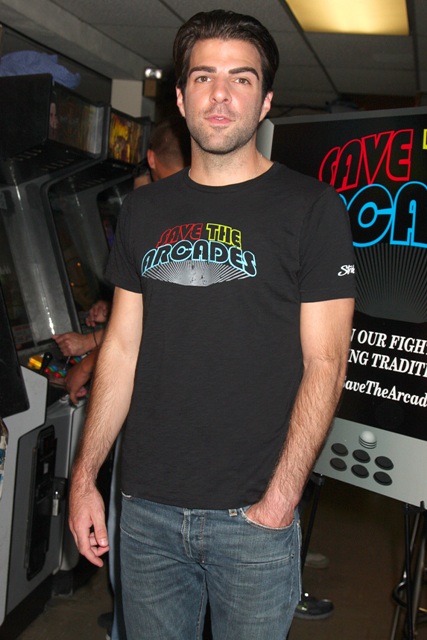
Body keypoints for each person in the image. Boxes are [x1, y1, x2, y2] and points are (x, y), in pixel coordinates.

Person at [69, 10, 355, 640]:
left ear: (266, 100)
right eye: (203, 77)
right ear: (180, 97)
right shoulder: (144, 209)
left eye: (241, 78)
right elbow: (121, 349)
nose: (220, 94)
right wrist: (86, 478)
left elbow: (326, 364)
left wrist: (279, 502)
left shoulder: (311, 209)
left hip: (253, 515)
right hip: (145, 510)